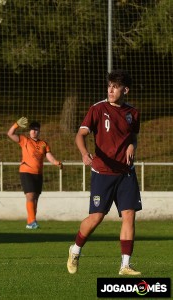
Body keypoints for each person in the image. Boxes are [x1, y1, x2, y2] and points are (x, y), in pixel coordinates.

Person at [67, 69, 142, 275]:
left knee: (129, 215)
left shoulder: (133, 113)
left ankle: (125, 265)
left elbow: (133, 137)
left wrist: (131, 146)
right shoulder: (98, 109)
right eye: (109, 86)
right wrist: (84, 153)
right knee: (97, 217)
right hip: (102, 172)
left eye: (115, 87)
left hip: (126, 173)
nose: (110, 90)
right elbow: (80, 135)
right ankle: (75, 250)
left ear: (125, 90)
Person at [7, 117, 63, 229]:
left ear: (39, 131)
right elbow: (10, 133)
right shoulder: (25, 140)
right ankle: (32, 221)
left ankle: (30, 222)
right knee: (30, 196)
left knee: (35, 198)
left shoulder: (44, 144)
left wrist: (57, 162)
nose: (34, 131)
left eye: (36, 129)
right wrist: (16, 125)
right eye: (32, 129)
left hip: (38, 174)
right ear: (29, 131)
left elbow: (49, 156)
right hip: (26, 171)